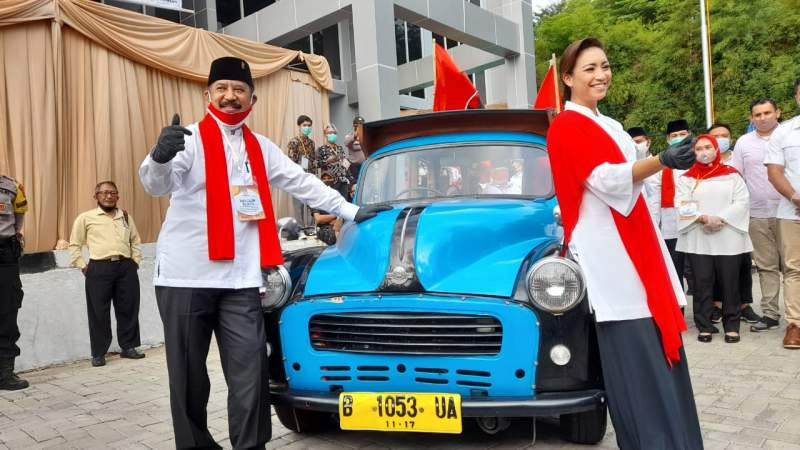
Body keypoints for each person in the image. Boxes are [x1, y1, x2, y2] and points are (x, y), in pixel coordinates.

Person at [139, 56, 388, 449]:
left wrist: (353, 211)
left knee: (250, 373)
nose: (230, 96)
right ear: (208, 94)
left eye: (238, 90)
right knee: (187, 377)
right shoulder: (188, 139)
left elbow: (302, 182)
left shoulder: (261, 147)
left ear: (251, 98)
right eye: (221, 89)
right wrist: (159, 155)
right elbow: (156, 184)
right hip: (185, 277)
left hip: (241, 279)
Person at [547, 37, 702, 450]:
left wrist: (664, 163)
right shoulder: (566, 125)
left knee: (660, 363)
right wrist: (660, 160)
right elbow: (605, 180)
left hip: (638, 248)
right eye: (589, 69)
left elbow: (630, 183)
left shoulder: (612, 125)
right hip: (612, 260)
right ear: (567, 78)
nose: (601, 75)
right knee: (638, 370)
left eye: (605, 66)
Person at [675, 135, 752, 344]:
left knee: (730, 283)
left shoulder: (732, 175)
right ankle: (704, 325)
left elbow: (742, 201)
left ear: (717, 149)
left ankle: (732, 326)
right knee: (702, 283)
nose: (703, 152)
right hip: (699, 236)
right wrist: (702, 218)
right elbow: (681, 203)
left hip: (729, 236)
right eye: (699, 148)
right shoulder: (686, 178)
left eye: (708, 147)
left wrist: (721, 218)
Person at [68, 181, 145, 367]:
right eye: (103, 193)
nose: (108, 196)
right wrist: (82, 265)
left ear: (118, 196)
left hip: (126, 267)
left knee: (128, 308)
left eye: (112, 193)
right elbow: (74, 244)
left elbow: (135, 240)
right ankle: (99, 352)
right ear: (96, 197)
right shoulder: (86, 218)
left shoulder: (125, 216)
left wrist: (135, 261)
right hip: (99, 268)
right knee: (98, 311)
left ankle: (128, 347)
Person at [731, 98, 786, 332]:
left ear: (778, 113)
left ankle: (796, 318)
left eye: (767, 113)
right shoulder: (744, 143)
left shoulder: (791, 136)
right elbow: (735, 177)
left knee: (794, 267)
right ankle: (771, 314)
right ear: (751, 118)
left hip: (790, 213)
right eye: (757, 114)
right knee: (766, 267)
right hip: (757, 214)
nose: (763, 118)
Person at [708, 122, 759, 323]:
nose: (721, 139)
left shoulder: (738, 161)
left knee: (742, 264)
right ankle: (717, 305)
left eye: (724, 135)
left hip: (738, 221)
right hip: (711, 222)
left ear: (731, 138)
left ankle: (744, 305)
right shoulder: (702, 162)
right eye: (716, 135)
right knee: (714, 266)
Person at [765, 78, 800, 349]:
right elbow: (774, 171)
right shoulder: (785, 132)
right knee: (794, 269)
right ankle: (795, 325)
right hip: (792, 211)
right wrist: (794, 196)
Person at [644, 119, 694, 294]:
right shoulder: (661, 165)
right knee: (674, 271)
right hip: (671, 226)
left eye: (682, 134)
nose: (679, 138)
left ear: (689, 135)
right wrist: (653, 227)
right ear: (668, 139)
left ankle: (706, 315)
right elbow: (654, 200)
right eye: (674, 136)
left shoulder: (699, 159)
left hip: (697, 224)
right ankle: (677, 313)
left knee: (701, 273)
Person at [0, 175, 29, 390]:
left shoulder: (12, 187)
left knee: (7, 311)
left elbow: (18, 220)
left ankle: (4, 373)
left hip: (4, 255)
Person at [286, 115, 316, 226]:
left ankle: (312, 228)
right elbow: (290, 162)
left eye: (309, 125)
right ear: (299, 126)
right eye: (304, 125)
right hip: (297, 178)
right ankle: (301, 229)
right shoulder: (293, 142)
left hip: (309, 177)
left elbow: (312, 161)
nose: (307, 127)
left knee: (311, 204)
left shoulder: (311, 143)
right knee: (298, 206)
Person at [316, 123, 353, 200]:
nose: (332, 134)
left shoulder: (340, 148)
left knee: (343, 203)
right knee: (332, 203)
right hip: (330, 181)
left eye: (334, 133)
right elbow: (317, 164)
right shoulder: (321, 149)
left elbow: (345, 163)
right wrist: (327, 161)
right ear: (325, 134)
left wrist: (349, 178)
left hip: (342, 181)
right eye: (330, 133)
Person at [344, 115, 366, 181]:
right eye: (358, 126)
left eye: (361, 125)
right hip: (354, 166)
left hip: (365, 164)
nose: (359, 127)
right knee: (357, 183)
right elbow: (346, 143)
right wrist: (355, 135)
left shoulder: (365, 136)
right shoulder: (349, 136)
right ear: (354, 126)